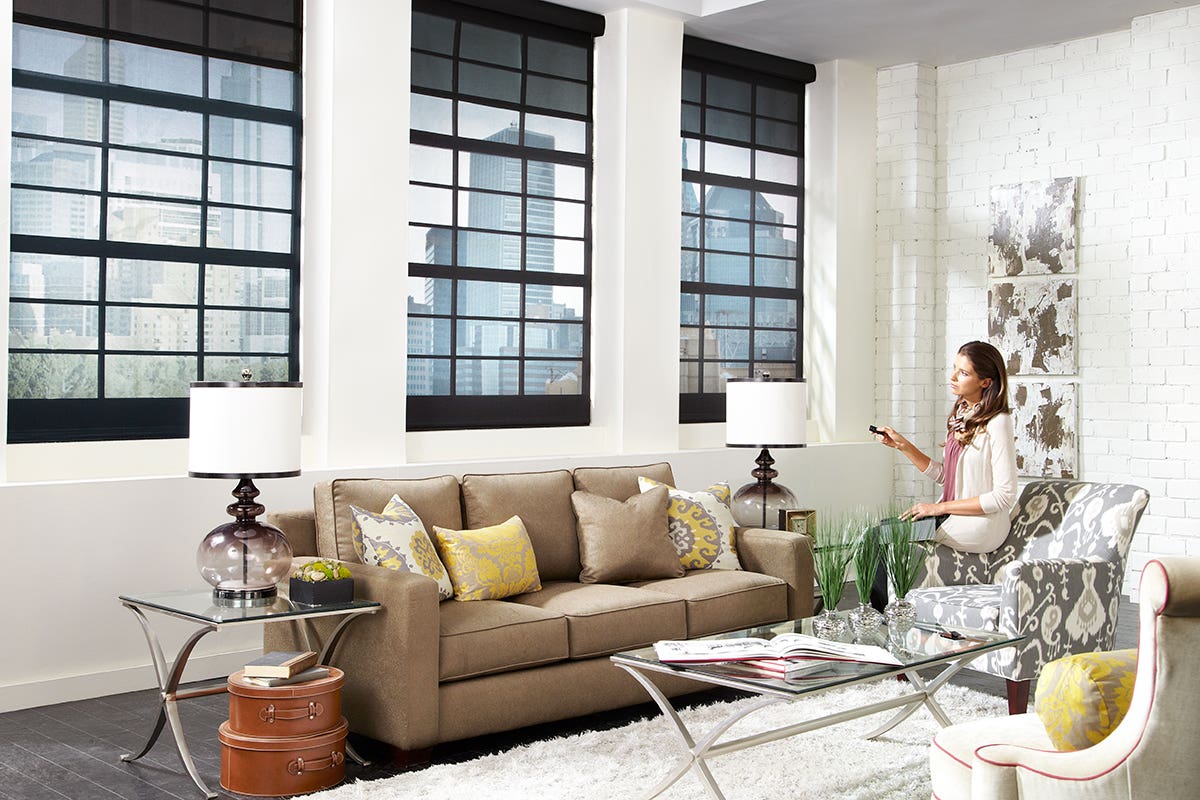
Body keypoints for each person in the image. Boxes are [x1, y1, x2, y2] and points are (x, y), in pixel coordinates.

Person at [868, 340, 1019, 611]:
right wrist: (902, 445)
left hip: (981, 525)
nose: (953, 377)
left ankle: (880, 617)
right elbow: (945, 477)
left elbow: (1004, 496)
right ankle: (878, 612)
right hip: (950, 516)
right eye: (954, 368)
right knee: (875, 532)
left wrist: (937, 508)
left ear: (985, 382)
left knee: (882, 534)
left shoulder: (998, 423)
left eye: (963, 373)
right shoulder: (962, 417)